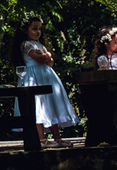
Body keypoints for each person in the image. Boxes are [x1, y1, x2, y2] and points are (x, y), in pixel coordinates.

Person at [10, 17, 79, 149]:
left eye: (40, 29)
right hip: (34, 77)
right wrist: (47, 55)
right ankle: (41, 139)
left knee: (50, 106)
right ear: (25, 30)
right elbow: (41, 59)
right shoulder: (26, 44)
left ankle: (57, 138)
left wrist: (46, 55)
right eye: (34, 29)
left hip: (46, 76)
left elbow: (50, 62)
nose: (38, 32)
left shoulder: (40, 45)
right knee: (38, 107)